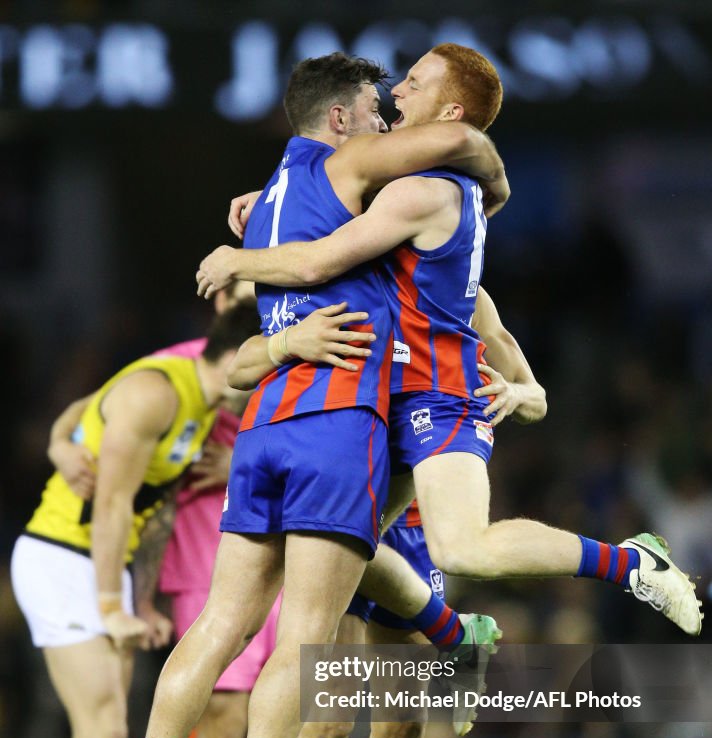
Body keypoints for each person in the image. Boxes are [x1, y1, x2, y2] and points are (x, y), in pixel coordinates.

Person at [107, 50, 509, 738]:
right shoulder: (358, 170)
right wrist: (491, 177)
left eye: (405, 91)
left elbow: (245, 351)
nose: (387, 110)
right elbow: (472, 155)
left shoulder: (271, 198)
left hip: (265, 432)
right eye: (378, 101)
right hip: (348, 429)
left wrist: (249, 264)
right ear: (340, 121)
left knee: (227, 626)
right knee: (310, 647)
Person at [197, 46, 702, 643]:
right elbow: (473, 307)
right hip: (385, 404)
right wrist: (272, 202)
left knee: (464, 550)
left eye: (413, 83)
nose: (397, 95)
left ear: (451, 110)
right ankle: (457, 638)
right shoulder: (404, 197)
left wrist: (240, 258)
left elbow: (315, 261)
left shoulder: (426, 194)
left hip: (433, 397)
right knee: (345, 545)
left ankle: (633, 566)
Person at [225, 284, 545, 738]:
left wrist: (521, 397)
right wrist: (246, 264)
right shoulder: (352, 280)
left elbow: (533, 389)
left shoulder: (465, 296)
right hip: (349, 497)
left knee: (400, 729)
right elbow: (265, 316)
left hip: (420, 522)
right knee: (325, 723)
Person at [10, 306, 250, 738]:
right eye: (257, 362)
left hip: (103, 569)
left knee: (110, 731)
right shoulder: (155, 390)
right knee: (102, 727)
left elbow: (144, 501)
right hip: (63, 556)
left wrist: (138, 601)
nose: (261, 375)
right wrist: (112, 606)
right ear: (227, 353)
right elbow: (114, 502)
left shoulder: (199, 408)